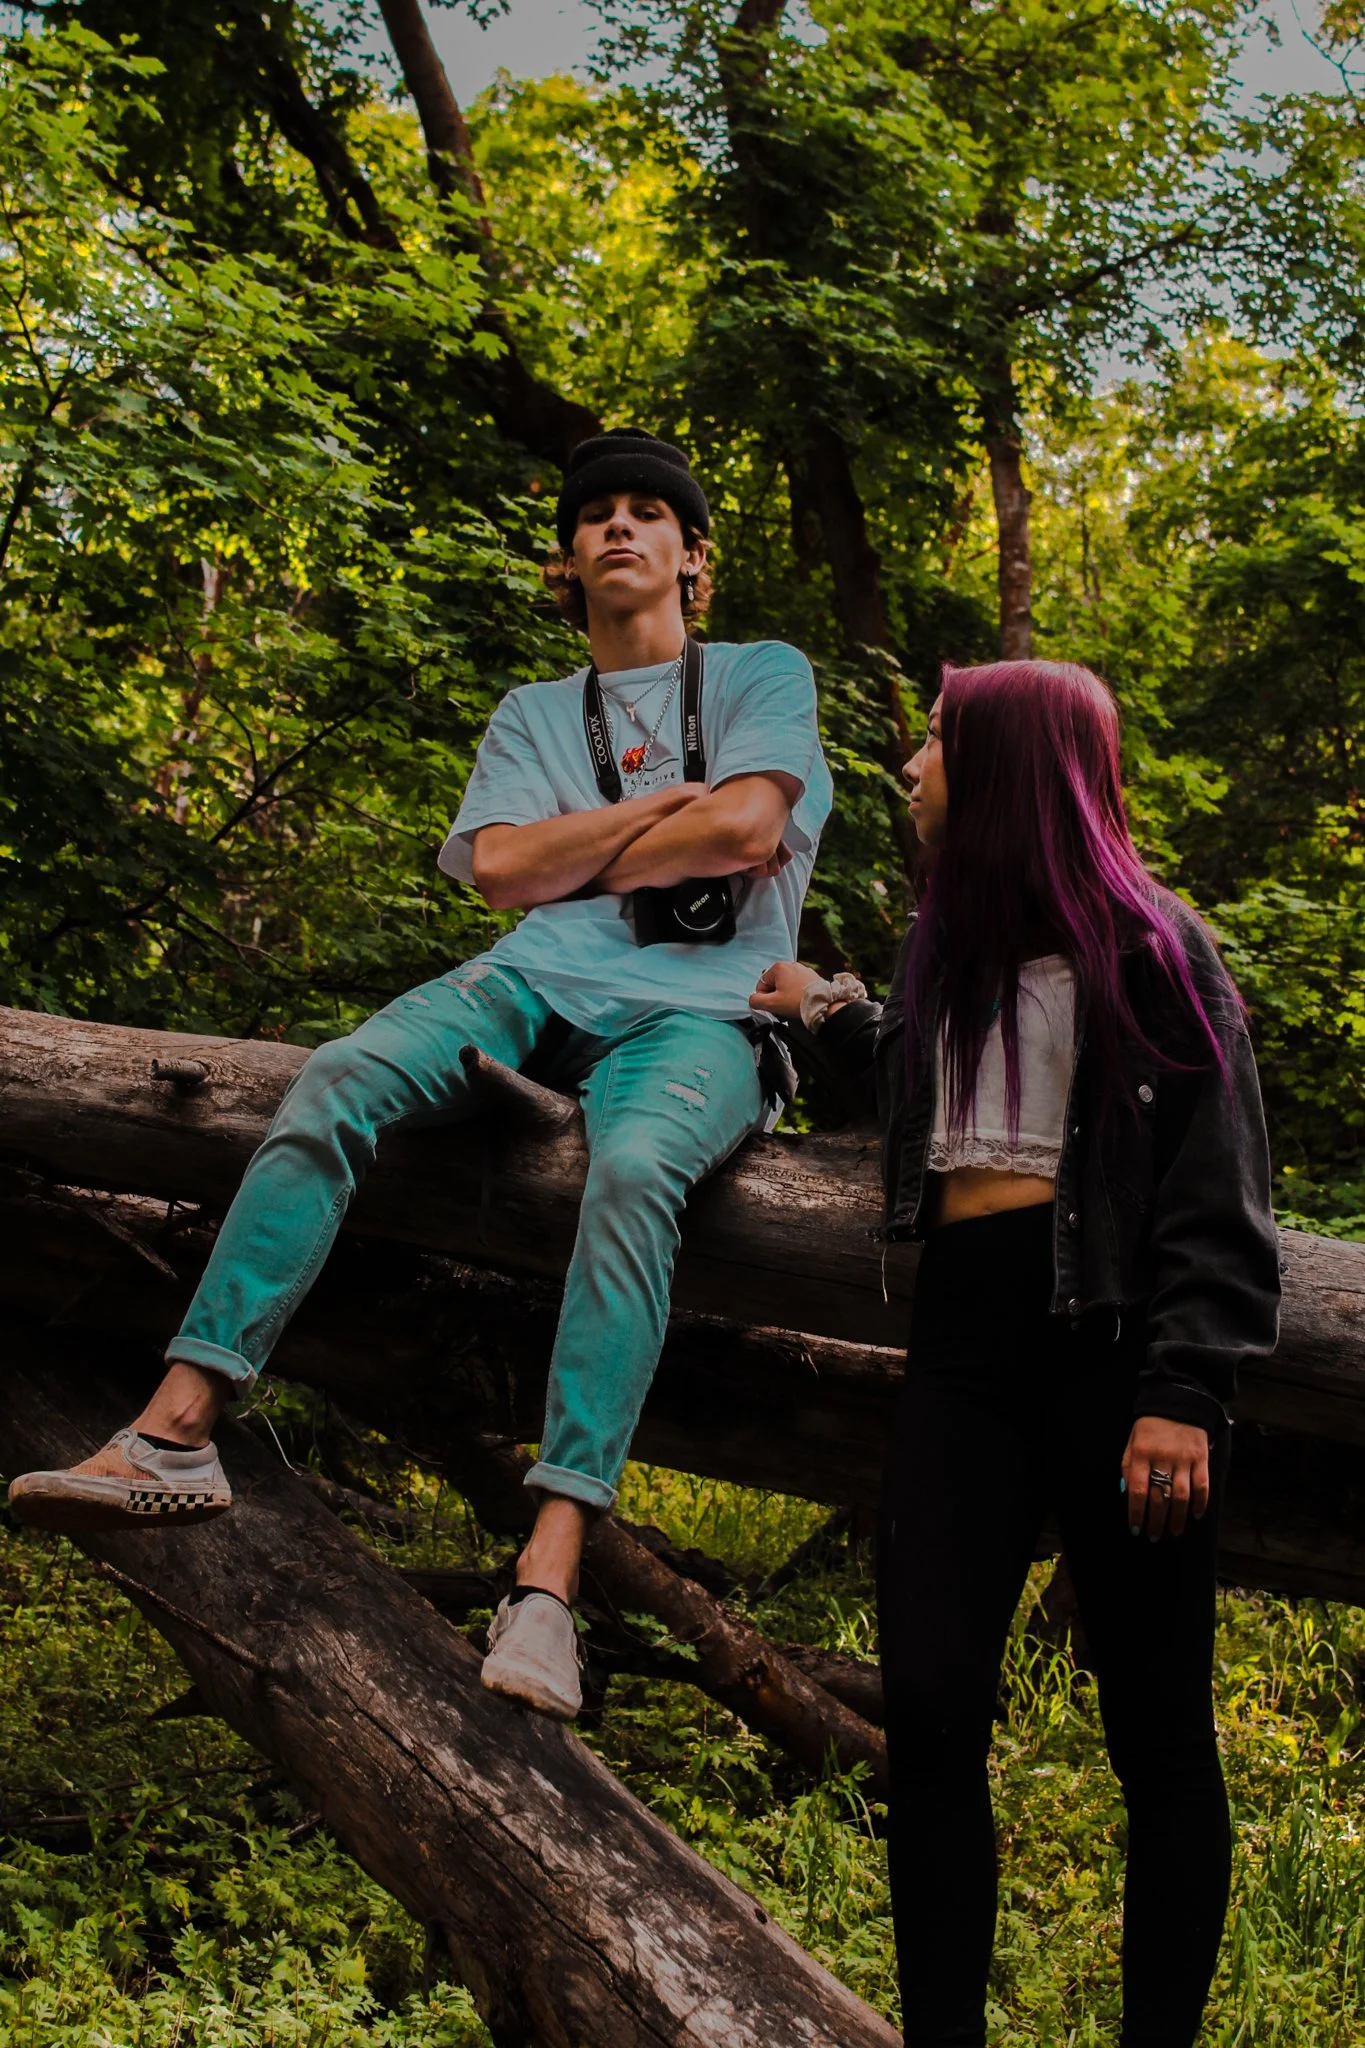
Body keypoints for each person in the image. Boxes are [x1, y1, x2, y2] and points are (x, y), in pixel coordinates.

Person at [10, 427, 832, 1724]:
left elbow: (744, 827)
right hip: (530, 980)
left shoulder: (760, 676)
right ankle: (173, 1433)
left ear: (692, 557)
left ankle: (548, 1581)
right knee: (338, 1078)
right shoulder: (533, 715)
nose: (620, 526)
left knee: (630, 1176)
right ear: (568, 562)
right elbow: (502, 875)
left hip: (702, 1016)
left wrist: (581, 847)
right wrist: (656, 823)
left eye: (648, 511)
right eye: (597, 515)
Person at [750, 660, 1280, 2048]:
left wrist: (1184, 1390)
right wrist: (821, 1007)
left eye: (935, 739)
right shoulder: (950, 951)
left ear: (1007, 767)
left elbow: (1218, 1187)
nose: (910, 764)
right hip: (965, 1360)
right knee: (931, 1711)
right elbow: (917, 1080)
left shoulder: (1155, 948)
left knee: (1157, 1733)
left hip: (1119, 1361)